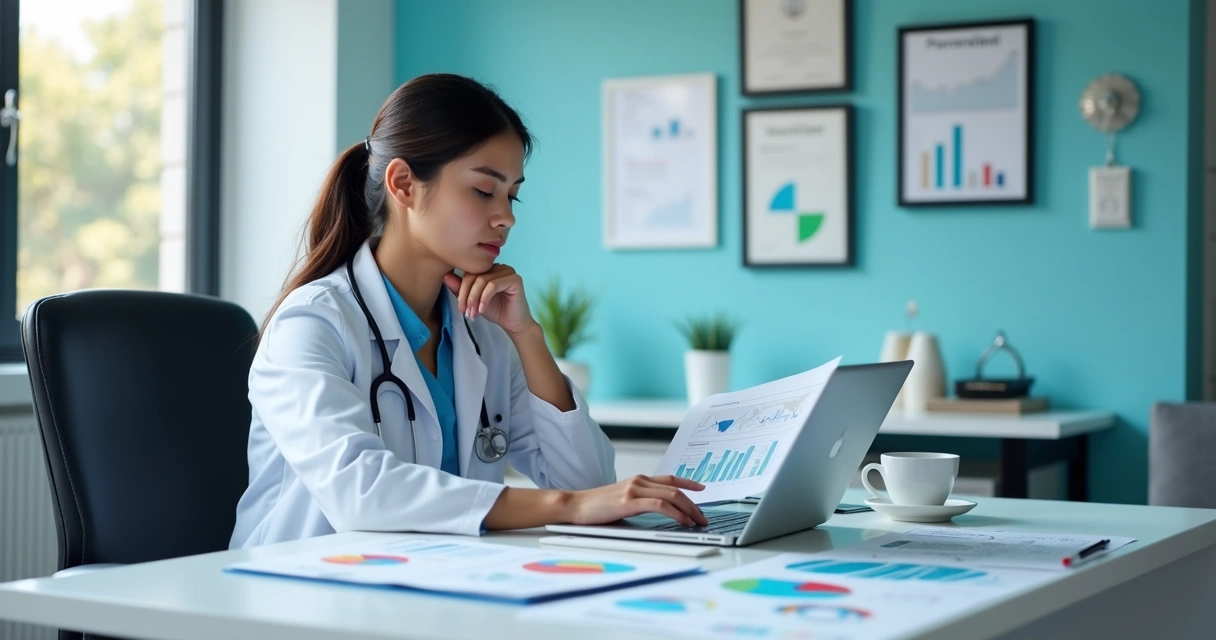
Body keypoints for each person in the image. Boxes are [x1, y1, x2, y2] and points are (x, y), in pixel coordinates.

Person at [230, 74, 707, 548]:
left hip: (431, 588)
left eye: (512, 194)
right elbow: (363, 493)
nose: (507, 217)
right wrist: (569, 507)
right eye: (484, 191)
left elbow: (588, 482)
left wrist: (528, 336)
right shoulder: (313, 324)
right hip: (298, 598)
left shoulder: (484, 331)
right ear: (403, 185)